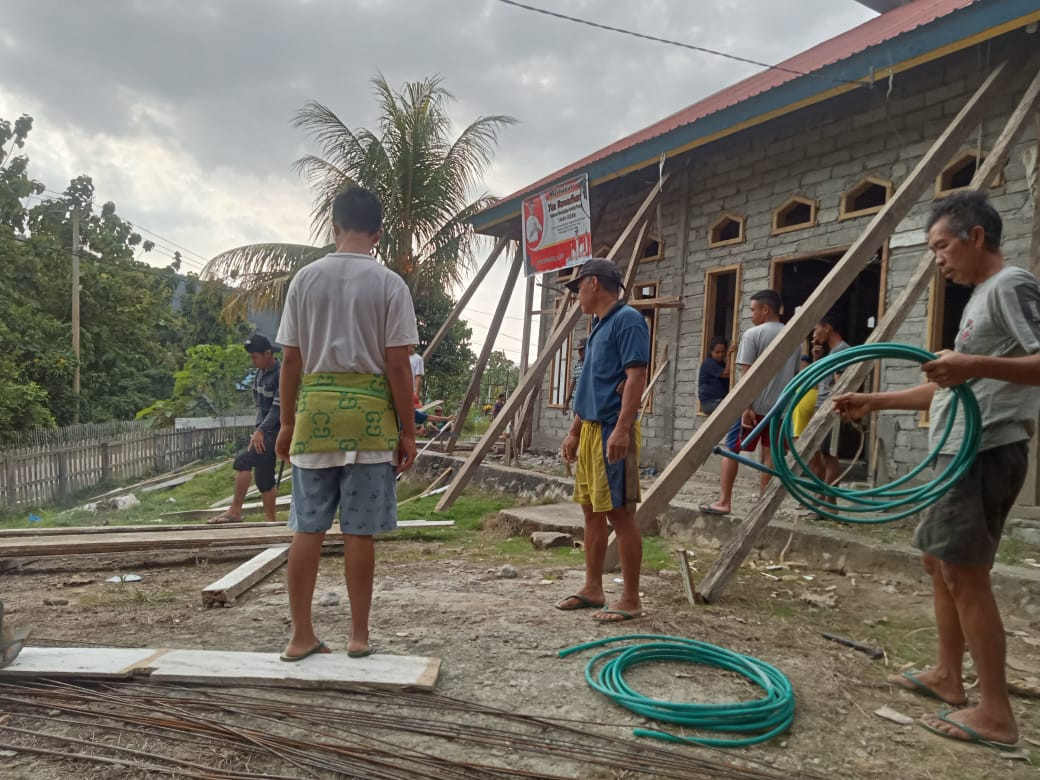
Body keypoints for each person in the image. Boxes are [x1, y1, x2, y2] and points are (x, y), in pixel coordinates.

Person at [834, 190, 1040, 750]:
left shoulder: (1010, 285)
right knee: (937, 561)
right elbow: (952, 385)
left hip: (985, 449)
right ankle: (949, 676)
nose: (938, 259)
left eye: (942, 246)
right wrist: (876, 402)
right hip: (957, 450)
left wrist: (970, 362)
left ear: (976, 237)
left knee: (964, 572)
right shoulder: (980, 298)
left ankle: (996, 714)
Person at [275, 187, 418, 662]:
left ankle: (301, 636)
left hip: (314, 417)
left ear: (333, 227)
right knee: (359, 532)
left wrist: (286, 423)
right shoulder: (390, 285)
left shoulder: (304, 280)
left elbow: (291, 361)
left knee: (307, 528)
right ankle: (358, 635)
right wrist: (407, 429)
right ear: (377, 234)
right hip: (370, 420)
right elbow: (399, 366)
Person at [557, 258, 650, 622]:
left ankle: (630, 598)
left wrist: (623, 430)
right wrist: (575, 430)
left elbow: (636, 377)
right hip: (593, 430)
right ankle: (593, 588)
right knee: (591, 510)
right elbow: (591, 385)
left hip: (613, 429)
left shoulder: (628, 320)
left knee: (620, 514)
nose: (577, 294)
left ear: (593, 283)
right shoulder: (598, 325)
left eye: (578, 286)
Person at [701, 290, 801, 515]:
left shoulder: (752, 334)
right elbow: (796, 375)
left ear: (766, 309)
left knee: (731, 450)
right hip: (779, 409)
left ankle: (724, 501)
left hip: (754, 408)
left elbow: (746, 376)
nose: (751, 314)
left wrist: (746, 407)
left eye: (753, 309)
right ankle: (762, 507)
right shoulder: (794, 336)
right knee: (770, 455)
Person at [209, 335, 281, 524]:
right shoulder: (260, 373)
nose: (252, 361)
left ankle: (235, 511)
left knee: (242, 462)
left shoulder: (281, 373)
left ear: (268, 353)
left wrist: (262, 431)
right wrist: (257, 430)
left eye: (255, 356)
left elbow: (277, 409)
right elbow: (260, 407)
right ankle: (271, 522)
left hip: (278, 430)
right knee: (264, 477)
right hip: (264, 429)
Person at [809, 313, 851, 485]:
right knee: (824, 455)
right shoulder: (832, 353)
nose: (813, 335)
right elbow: (818, 383)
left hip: (831, 409)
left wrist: (835, 409)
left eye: (816, 329)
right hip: (824, 408)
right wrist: (817, 359)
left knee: (830, 456)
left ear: (827, 328)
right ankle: (824, 500)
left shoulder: (842, 351)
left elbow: (840, 385)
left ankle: (829, 502)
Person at [698, 337, 731, 414]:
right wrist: (729, 356)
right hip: (709, 403)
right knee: (734, 409)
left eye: (723, 352)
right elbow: (727, 374)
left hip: (719, 401)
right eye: (717, 352)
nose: (720, 355)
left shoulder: (722, 364)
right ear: (711, 352)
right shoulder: (708, 363)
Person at [565, 337, 587, 409]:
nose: (579, 352)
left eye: (581, 350)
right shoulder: (577, 365)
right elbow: (573, 383)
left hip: (586, 403)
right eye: (578, 350)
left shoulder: (591, 365)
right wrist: (567, 401)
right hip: (576, 402)